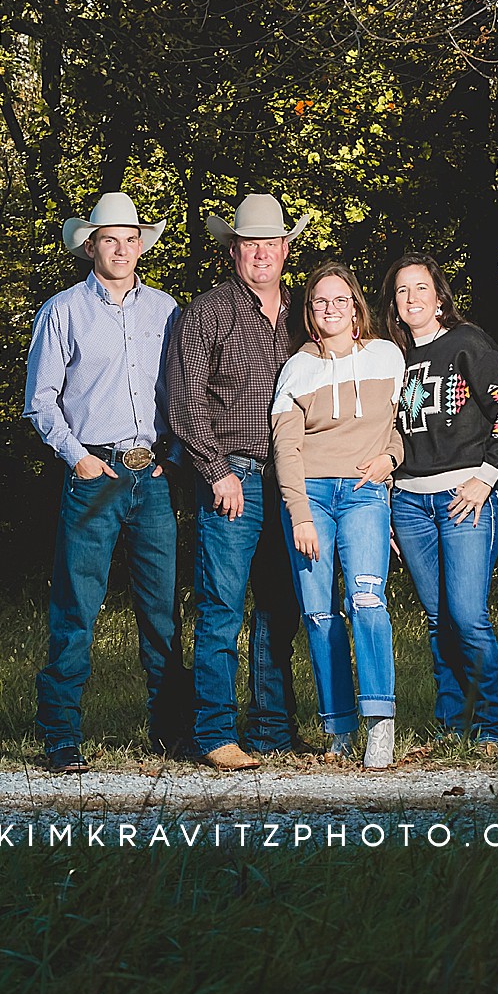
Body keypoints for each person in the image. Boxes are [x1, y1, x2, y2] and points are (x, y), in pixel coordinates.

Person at [24, 191, 188, 773]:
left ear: (142, 244)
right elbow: (40, 402)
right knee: (77, 606)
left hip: (153, 477)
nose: (121, 248)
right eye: (109, 238)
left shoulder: (167, 310)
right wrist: (79, 459)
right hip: (96, 475)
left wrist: (172, 453)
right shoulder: (62, 311)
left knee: (162, 609)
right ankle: (61, 737)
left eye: (131, 237)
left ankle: (170, 733)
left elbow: (178, 392)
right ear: (90, 244)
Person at [166, 193, 310, 770]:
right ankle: (215, 733)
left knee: (281, 607)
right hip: (235, 478)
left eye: (271, 244)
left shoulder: (304, 314)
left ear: (285, 249)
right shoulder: (208, 311)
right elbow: (185, 402)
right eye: (250, 244)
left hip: (292, 482)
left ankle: (274, 728)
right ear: (233, 250)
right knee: (222, 608)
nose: (261, 254)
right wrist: (218, 471)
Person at [383, 252, 498, 752]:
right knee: (438, 620)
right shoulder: (394, 359)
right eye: (402, 291)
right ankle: (453, 726)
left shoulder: (466, 344)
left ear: (440, 295)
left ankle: (494, 726)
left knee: (467, 616)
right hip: (410, 504)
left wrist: (485, 478)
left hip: (464, 498)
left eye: (421, 287)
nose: (411, 298)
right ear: (394, 304)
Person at [271, 261, 405, 770]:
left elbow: (401, 426)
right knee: (320, 612)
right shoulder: (297, 369)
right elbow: (286, 449)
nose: (332, 308)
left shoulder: (387, 357)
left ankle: (380, 722)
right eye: (321, 301)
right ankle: (339, 726)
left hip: (366, 493)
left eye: (341, 299)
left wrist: (389, 460)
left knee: (367, 600)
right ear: (310, 313)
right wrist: (299, 515)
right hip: (311, 499)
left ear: (356, 308)